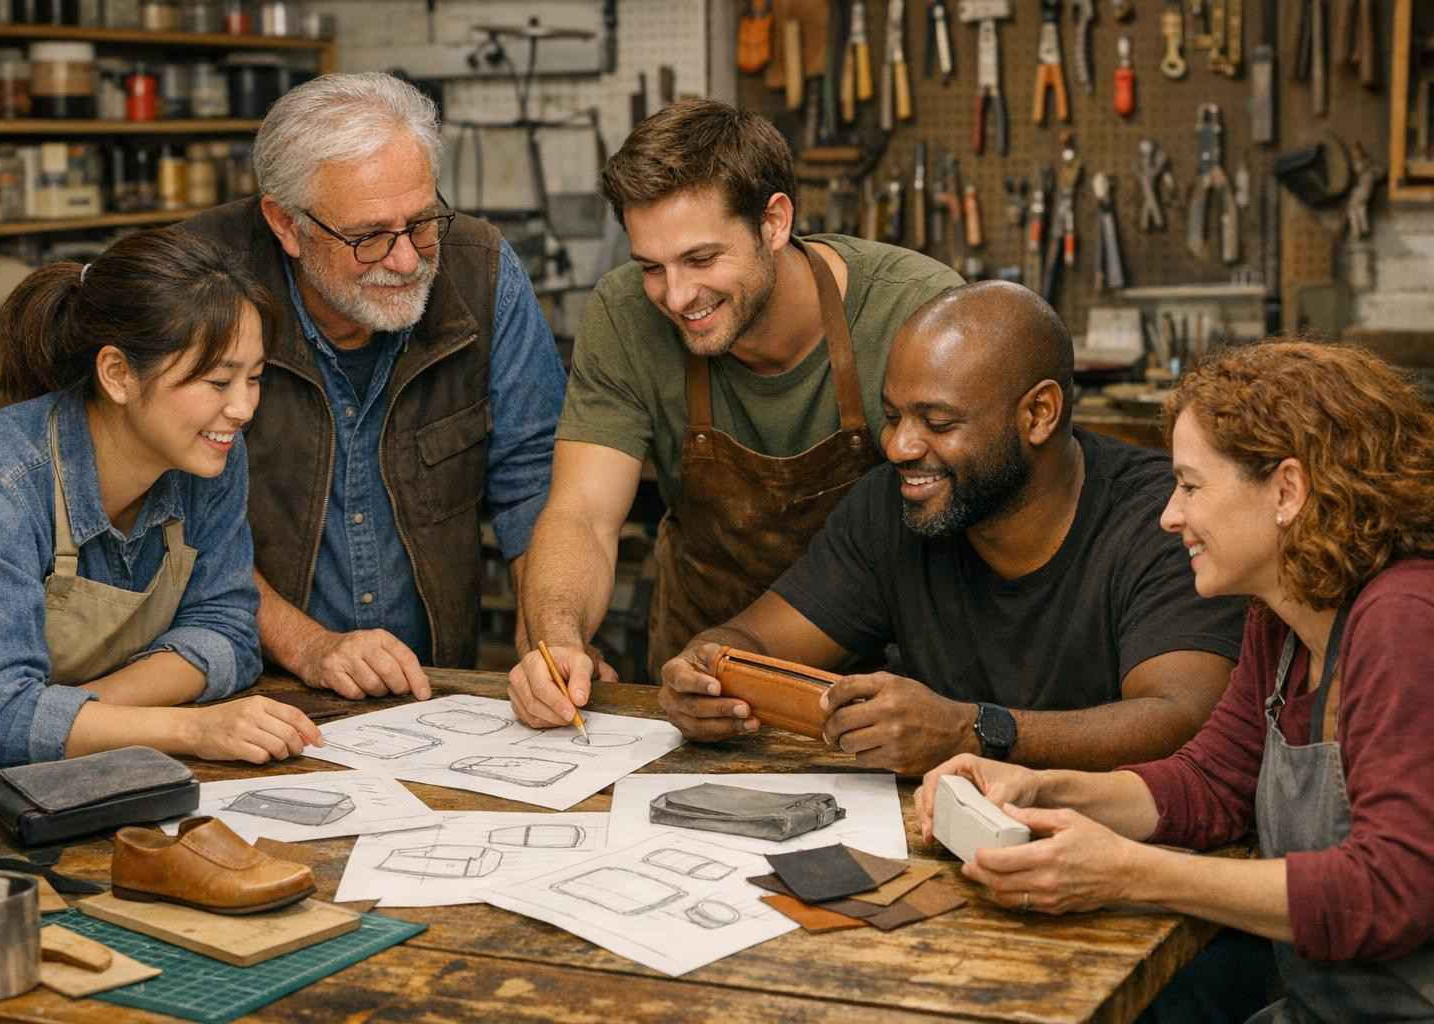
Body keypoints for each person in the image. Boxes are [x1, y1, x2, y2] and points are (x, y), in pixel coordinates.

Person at [917, 340, 1434, 1023]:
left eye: (1191, 485)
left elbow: (1392, 893)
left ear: (1287, 490)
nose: (1170, 516)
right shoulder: (1282, 618)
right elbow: (1210, 785)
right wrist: (1034, 785)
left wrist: (1131, 871)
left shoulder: (1403, 620)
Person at [658, 281, 1246, 776]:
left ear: (1039, 414)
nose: (899, 447)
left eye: (938, 422)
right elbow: (752, 642)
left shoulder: (1161, 519)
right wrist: (703, 671)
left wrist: (973, 732)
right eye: (891, 417)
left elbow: (1183, 716)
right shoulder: (892, 507)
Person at [508, 98, 962, 727]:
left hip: (892, 693)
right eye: (651, 267)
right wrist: (557, 639)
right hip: (700, 684)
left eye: (701, 259)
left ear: (774, 221)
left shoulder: (919, 312)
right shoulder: (624, 316)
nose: (677, 296)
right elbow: (582, 514)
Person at [181, 72, 565, 701]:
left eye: (421, 221)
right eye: (368, 237)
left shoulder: (483, 271)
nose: (409, 260)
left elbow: (532, 480)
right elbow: (169, 518)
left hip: (432, 692)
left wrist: (552, 634)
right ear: (285, 224)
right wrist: (307, 646)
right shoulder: (195, 285)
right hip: (246, 693)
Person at [0, 229, 322, 770]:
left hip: (76, 766)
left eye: (255, 378)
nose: (241, 408)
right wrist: (191, 727)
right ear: (118, 374)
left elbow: (226, 626)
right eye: (218, 382)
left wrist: (81, 713)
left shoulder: (208, 455)